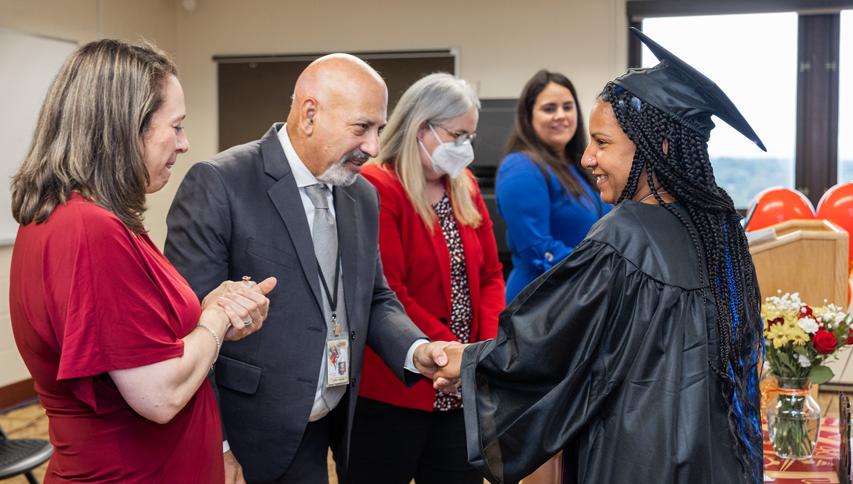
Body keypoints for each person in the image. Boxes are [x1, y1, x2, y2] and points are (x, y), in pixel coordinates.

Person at [435, 29, 766, 484]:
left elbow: (547, 343)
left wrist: (468, 362)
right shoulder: (722, 230)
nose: (588, 157)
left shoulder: (625, 235)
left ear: (659, 146)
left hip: (640, 455)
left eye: (603, 143)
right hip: (716, 452)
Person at [164, 54, 455, 484]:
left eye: (379, 129)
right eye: (362, 128)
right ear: (310, 114)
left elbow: (374, 297)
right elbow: (185, 330)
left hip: (324, 426)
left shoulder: (361, 194)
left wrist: (418, 351)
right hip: (245, 439)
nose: (373, 147)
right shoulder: (220, 183)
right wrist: (217, 446)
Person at [8, 39, 275, 483]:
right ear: (126, 127)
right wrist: (218, 317)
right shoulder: (91, 231)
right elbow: (160, 394)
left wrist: (207, 311)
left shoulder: (66, 217)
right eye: (177, 126)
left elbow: (132, 340)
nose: (185, 144)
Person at [347, 73, 505, 483]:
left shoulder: (463, 184)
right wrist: (451, 356)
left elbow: (489, 274)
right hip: (396, 392)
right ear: (422, 129)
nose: (465, 148)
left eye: (470, 136)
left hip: (461, 386)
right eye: (457, 136)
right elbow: (391, 293)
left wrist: (479, 352)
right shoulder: (378, 187)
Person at [496, 70, 610, 303]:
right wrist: (603, 271)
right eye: (549, 109)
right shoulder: (521, 167)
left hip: (581, 294)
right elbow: (538, 247)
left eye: (568, 107)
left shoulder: (579, 167)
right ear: (528, 116)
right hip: (541, 303)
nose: (561, 115)